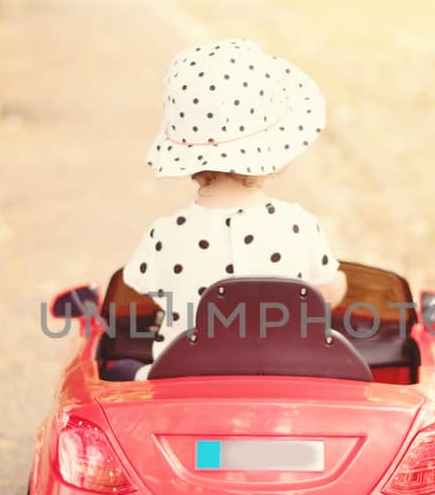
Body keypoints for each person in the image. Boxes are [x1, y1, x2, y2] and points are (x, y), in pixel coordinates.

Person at [117, 39, 348, 378]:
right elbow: (324, 295)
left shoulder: (164, 235)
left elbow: (149, 291)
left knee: (121, 369)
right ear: (274, 147)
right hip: (284, 381)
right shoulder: (299, 226)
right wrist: (336, 286)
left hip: (182, 384)